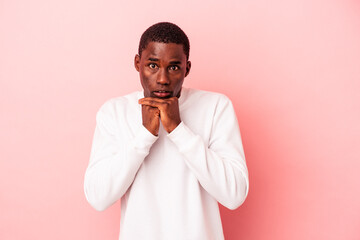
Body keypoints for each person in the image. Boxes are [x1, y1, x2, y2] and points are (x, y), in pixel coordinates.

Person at [84, 22, 249, 240]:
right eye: (153, 65)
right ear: (137, 63)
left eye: (173, 67)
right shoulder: (114, 112)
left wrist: (178, 130)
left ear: (186, 68)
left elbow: (234, 194)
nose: (162, 79)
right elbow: (98, 197)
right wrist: (144, 135)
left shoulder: (216, 107)